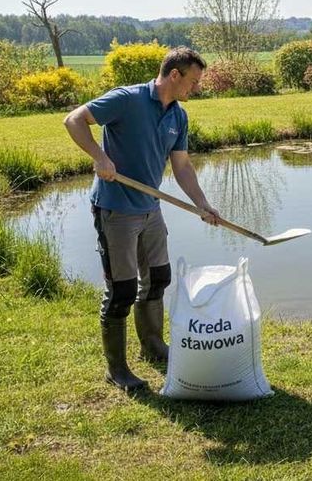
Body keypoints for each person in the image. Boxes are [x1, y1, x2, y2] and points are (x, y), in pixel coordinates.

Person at [63, 46, 224, 392]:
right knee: (121, 290)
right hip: (116, 209)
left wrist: (202, 204)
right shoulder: (127, 99)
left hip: (150, 208)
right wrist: (99, 156)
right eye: (193, 82)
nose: (195, 88)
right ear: (175, 75)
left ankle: (152, 346)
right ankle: (117, 369)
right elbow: (74, 120)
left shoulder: (178, 116)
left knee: (158, 278)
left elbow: (181, 166)